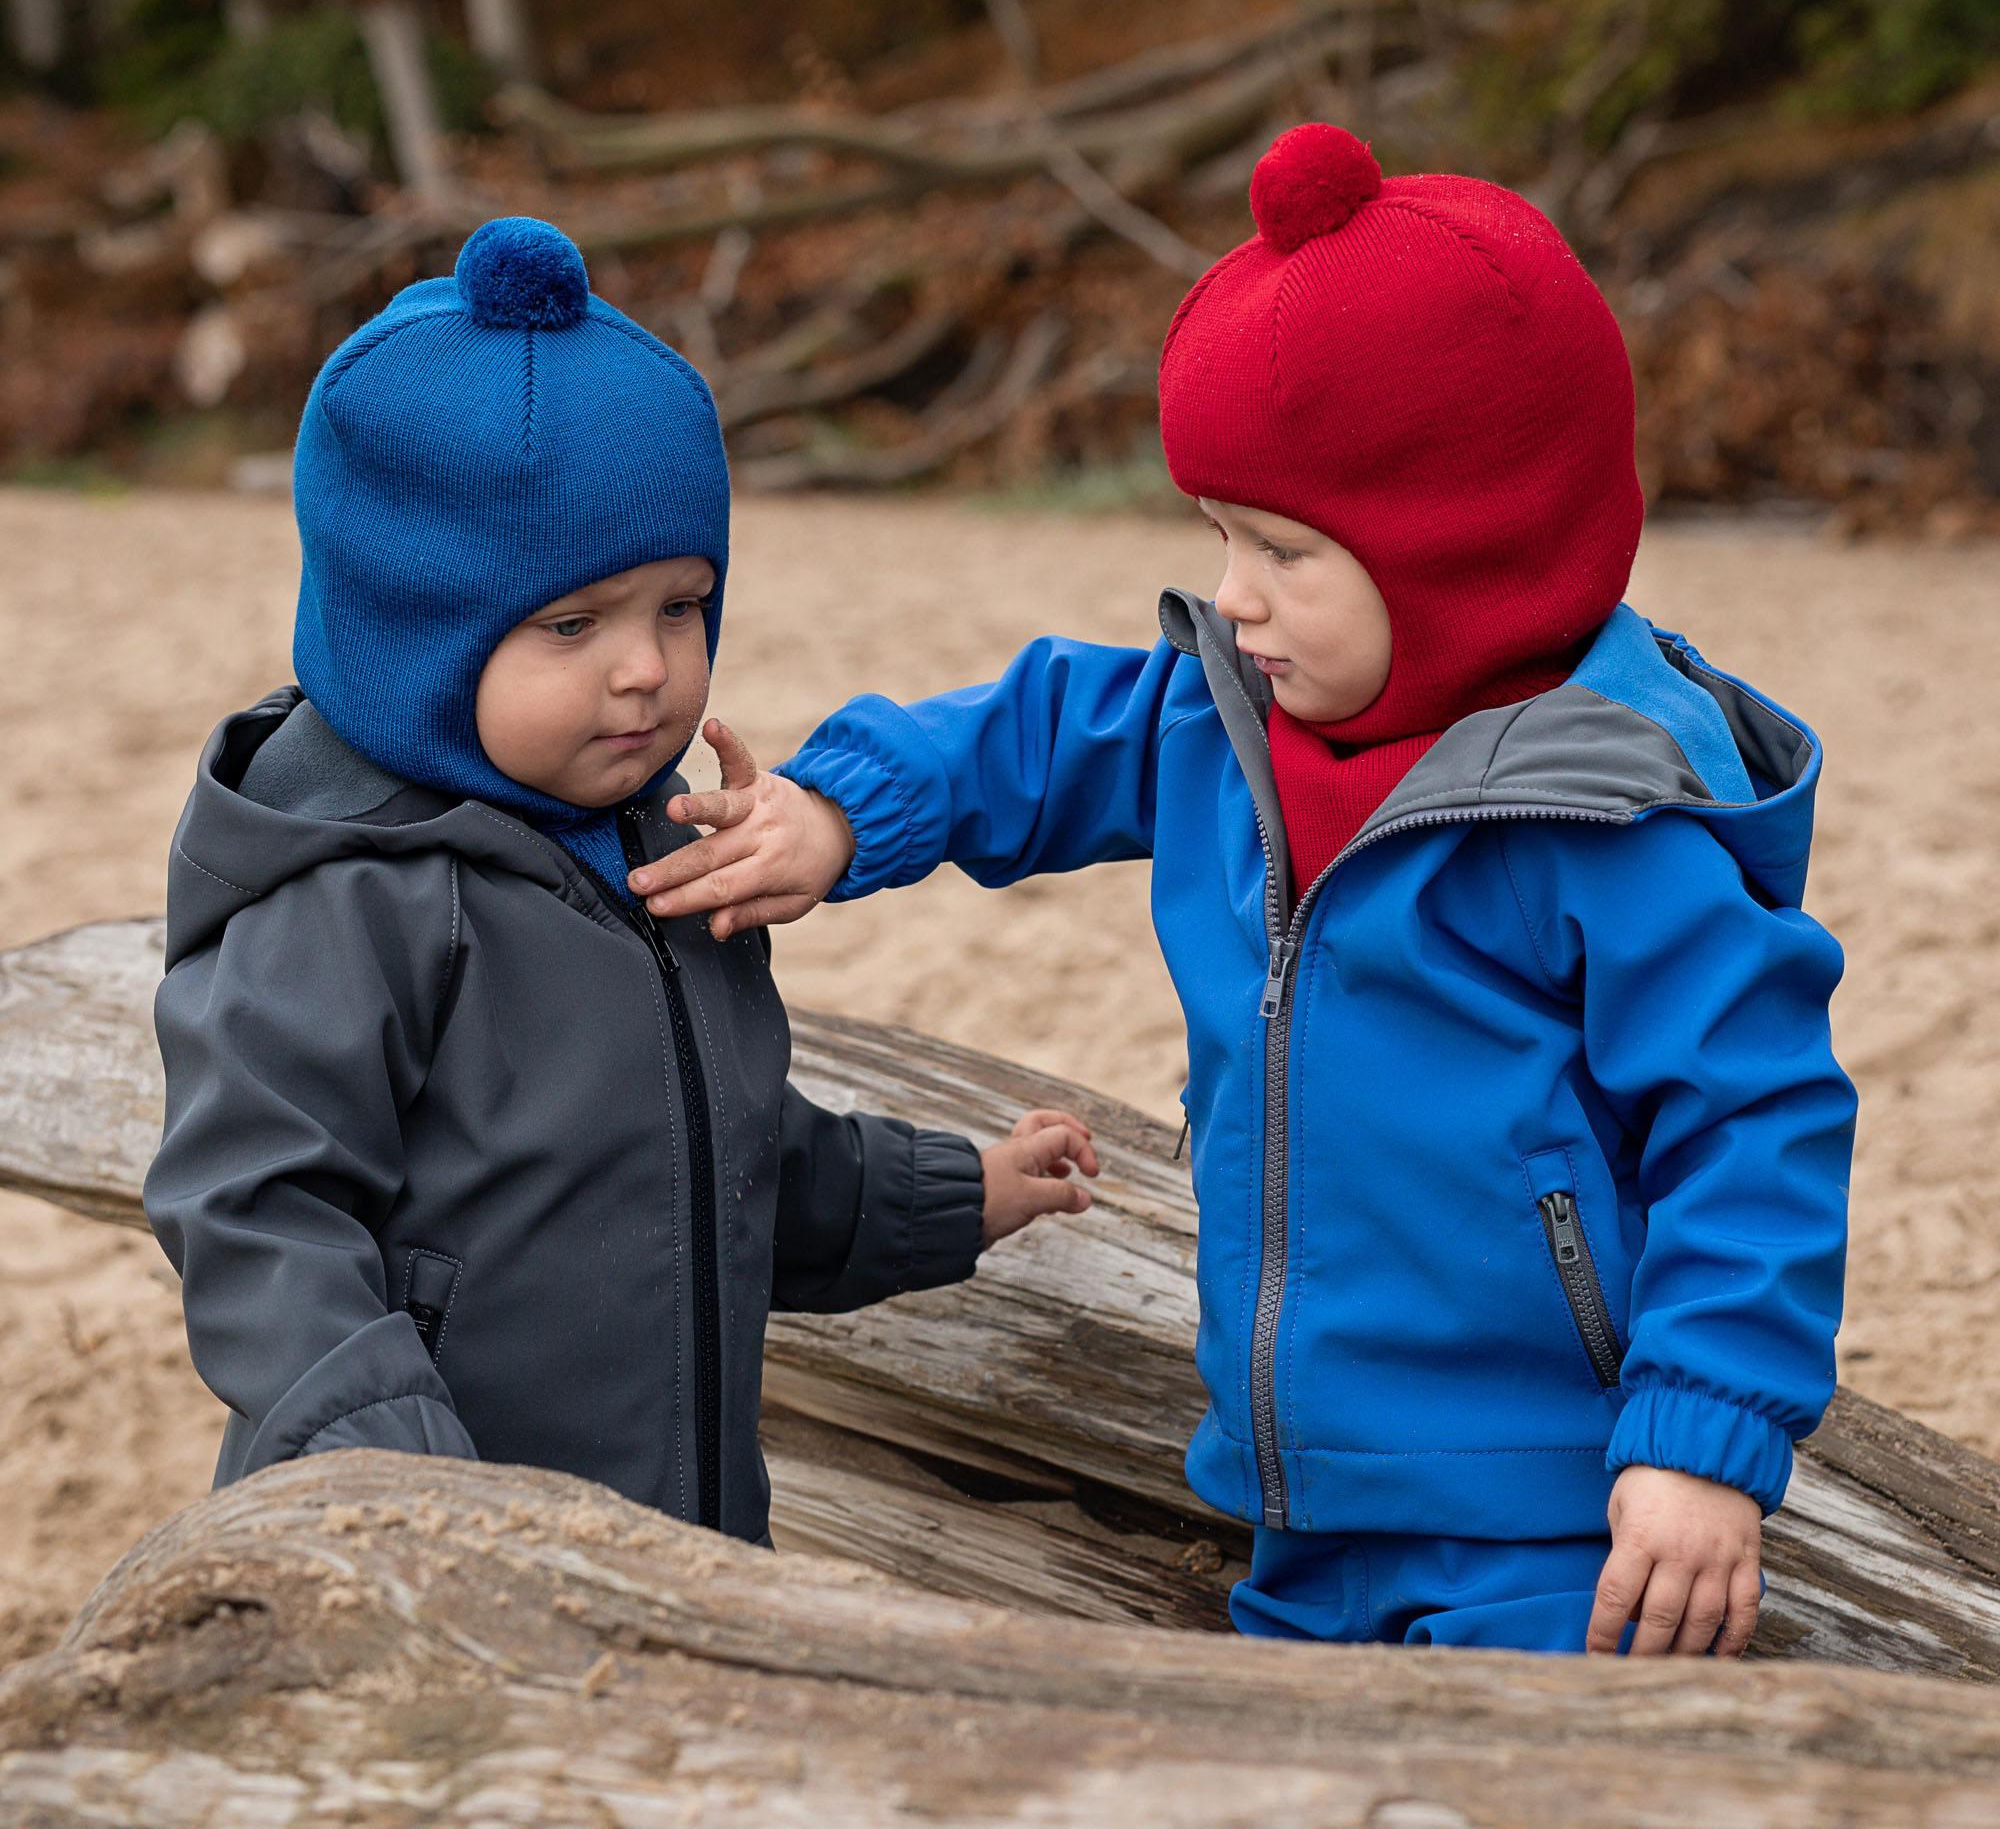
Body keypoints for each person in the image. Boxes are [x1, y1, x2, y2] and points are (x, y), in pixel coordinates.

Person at [623, 127, 1859, 1651]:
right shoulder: (1224, 725)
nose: (1233, 594)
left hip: (1547, 1509)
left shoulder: (1609, 820)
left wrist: (1699, 1444)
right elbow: (1027, 734)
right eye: (1218, 534)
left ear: (1467, 551)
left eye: (1283, 547)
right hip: (1290, 1502)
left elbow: (1761, 1121)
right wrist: (834, 811)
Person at [145, 216, 1097, 1544]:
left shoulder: (655, 844)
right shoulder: (355, 889)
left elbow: (726, 1153)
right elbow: (253, 1208)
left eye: (680, 605)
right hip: (418, 1551)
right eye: (572, 625)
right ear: (417, 639)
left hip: (677, 1547)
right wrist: (394, 1471)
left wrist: (949, 1196)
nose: (644, 667)